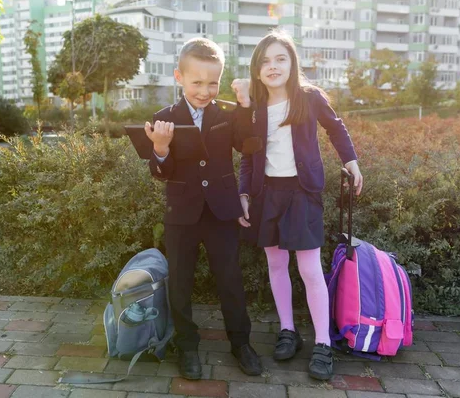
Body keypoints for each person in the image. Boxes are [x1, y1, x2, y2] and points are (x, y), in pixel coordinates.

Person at [238, 30, 363, 380]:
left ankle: (322, 342)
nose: (272, 66)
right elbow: (248, 157)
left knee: (309, 269)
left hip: (303, 192)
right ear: (256, 69)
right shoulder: (254, 108)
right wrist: (244, 193)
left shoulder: (309, 98)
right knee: (276, 263)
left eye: (280, 58)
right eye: (265, 61)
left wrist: (351, 161)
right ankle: (288, 331)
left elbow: (336, 129)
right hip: (267, 195)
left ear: (292, 62)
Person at [144, 38, 262, 380]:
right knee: (179, 282)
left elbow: (249, 144)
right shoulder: (164, 118)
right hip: (181, 214)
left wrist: (245, 105)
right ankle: (187, 345)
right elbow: (158, 172)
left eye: (213, 83)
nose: (205, 90)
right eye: (197, 82)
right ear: (179, 76)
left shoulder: (228, 112)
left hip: (222, 212)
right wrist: (161, 148)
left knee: (230, 279)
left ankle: (241, 343)